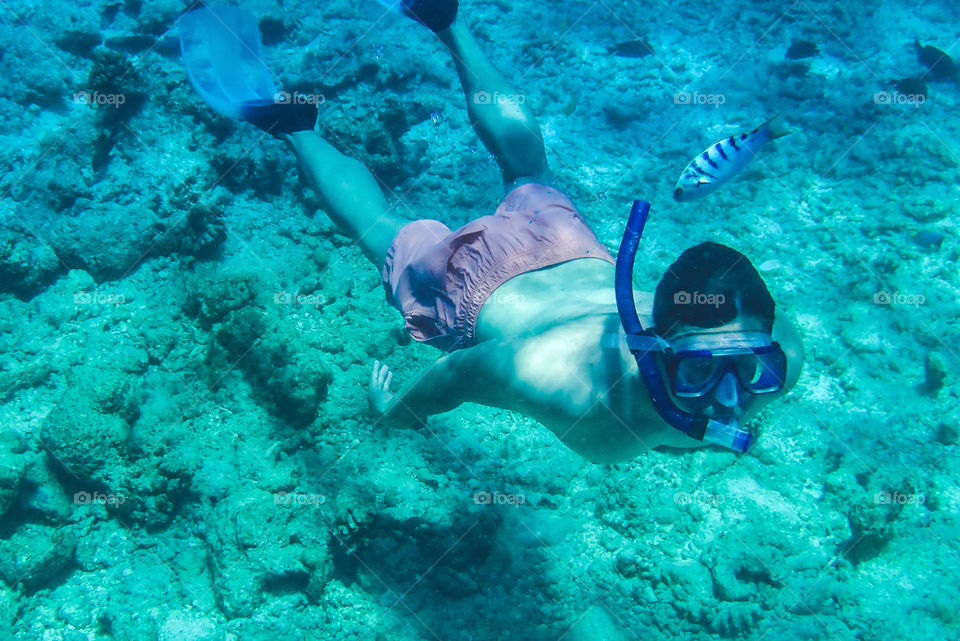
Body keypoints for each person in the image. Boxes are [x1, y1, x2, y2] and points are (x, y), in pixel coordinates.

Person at [183, 0, 803, 463]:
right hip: (477, 288)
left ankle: (445, 20)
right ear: (652, 346)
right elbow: (461, 374)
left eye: (752, 372)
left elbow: (753, 353)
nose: (730, 403)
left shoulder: (783, 356)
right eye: (697, 373)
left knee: (528, 168)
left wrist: (723, 370)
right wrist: (397, 412)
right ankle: (289, 121)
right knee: (378, 227)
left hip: (568, 249)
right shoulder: (567, 388)